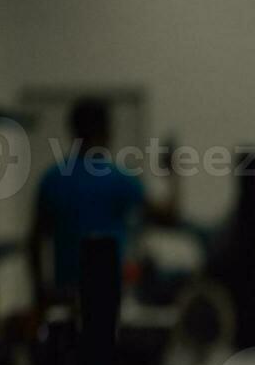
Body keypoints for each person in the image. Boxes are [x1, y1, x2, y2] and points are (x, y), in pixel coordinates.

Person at [27, 97, 178, 305]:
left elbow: (34, 242)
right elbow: (169, 217)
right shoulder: (119, 180)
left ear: (72, 131)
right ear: (106, 132)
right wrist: (173, 173)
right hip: (109, 295)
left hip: (65, 295)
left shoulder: (52, 180)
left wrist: (39, 294)